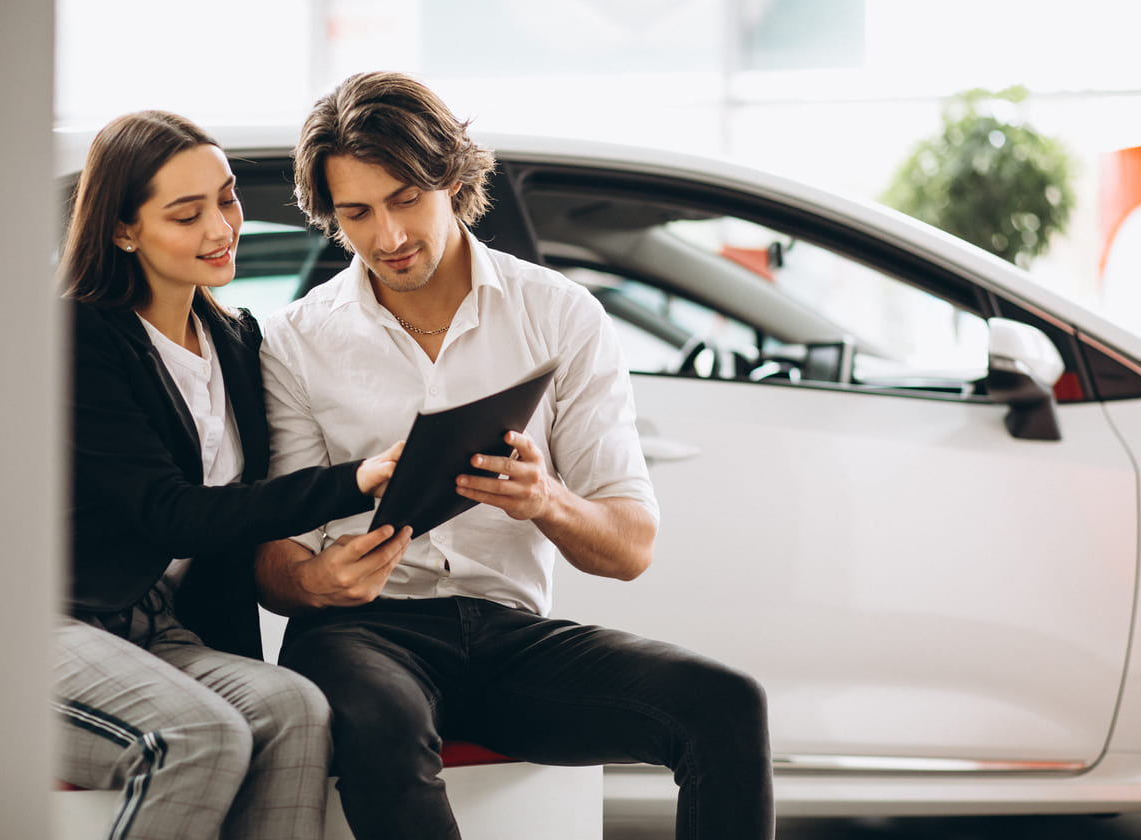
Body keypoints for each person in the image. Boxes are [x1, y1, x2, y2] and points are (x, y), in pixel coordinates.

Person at [255, 72, 774, 840]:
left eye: (405, 199)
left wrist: (545, 500)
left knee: (725, 704)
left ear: (453, 180)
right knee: (381, 724)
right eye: (356, 213)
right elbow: (274, 563)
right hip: (361, 634)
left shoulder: (560, 316)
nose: (388, 238)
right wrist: (316, 580)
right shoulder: (296, 341)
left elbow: (631, 548)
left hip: (507, 634)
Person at [53, 110, 411, 840]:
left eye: (227, 198)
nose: (222, 227)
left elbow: (248, 516)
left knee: (297, 709)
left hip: (163, 630)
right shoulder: (79, 336)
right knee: (199, 735)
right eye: (187, 214)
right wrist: (353, 480)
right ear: (123, 231)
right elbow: (172, 512)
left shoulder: (238, 339)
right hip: (52, 625)